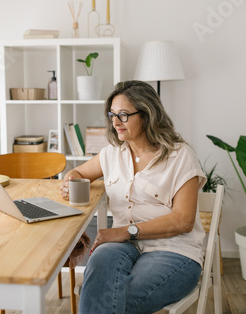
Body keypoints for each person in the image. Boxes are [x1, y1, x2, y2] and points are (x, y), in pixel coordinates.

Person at [59, 80, 207, 314]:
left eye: (124, 115)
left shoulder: (180, 155)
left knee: (109, 299)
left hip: (173, 250)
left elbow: (183, 220)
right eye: (112, 115)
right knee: (99, 275)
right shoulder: (111, 154)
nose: (115, 122)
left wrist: (126, 231)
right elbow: (78, 172)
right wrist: (70, 180)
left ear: (147, 115)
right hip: (122, 245)